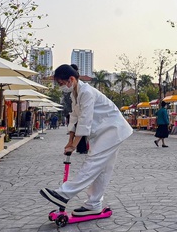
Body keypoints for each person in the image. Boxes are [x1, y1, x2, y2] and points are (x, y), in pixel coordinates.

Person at [40, 64, 133, 216]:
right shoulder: (74, 94)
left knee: (93, 162)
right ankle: (94, 204)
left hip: (113, 129)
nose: (61, 87)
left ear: (71, 79)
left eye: (62, 83)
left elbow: (85, 121)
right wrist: (70, 142)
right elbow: (74, 118)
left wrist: (74, 145)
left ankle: (64, 193)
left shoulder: (87, 92)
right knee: (103, 169)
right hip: (103, 131)